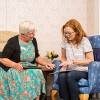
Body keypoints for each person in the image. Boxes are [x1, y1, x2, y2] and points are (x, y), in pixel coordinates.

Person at [0, 20, 55, 100]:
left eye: (34, 32)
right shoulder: (13, 42)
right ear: (22, 34)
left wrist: (46, 64)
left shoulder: (33, 41)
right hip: (13, 66)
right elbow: (3, 58)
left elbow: (37, 57)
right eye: (30, 33)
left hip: (28, 66)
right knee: (29, 74)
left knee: (38, 72)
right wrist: (15, 65)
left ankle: (36, 98)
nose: (33, 35)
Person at [58, 19, 94, 100]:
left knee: (71, 76)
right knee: (61, 76)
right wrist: (64, 65)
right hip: (70, 69)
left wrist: (73, 61)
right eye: (65, 33)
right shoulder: (65, 41)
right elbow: (63, 57)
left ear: (77, 31)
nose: (67, 35)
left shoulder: (84, 41)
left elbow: (90, 60)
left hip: (83, 70)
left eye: (69, 33)